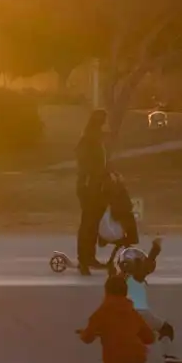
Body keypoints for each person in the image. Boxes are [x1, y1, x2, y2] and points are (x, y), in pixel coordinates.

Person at [77, 273, 155, 363]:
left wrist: (83, 333)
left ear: (106, 291)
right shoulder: (132, 312)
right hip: (137, 358)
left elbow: (87, 338)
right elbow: (149, 337)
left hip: (118, 359)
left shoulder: (102, 312)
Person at [74, 110, 112, 276]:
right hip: (89, 187)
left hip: (97, 187)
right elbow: (86, 164)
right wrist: (96, 175)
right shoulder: (87, 140)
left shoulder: (96, 140)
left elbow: (101, 164)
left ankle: (90, 256)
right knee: (88, 224)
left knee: (94, 223)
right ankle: (83, 259)